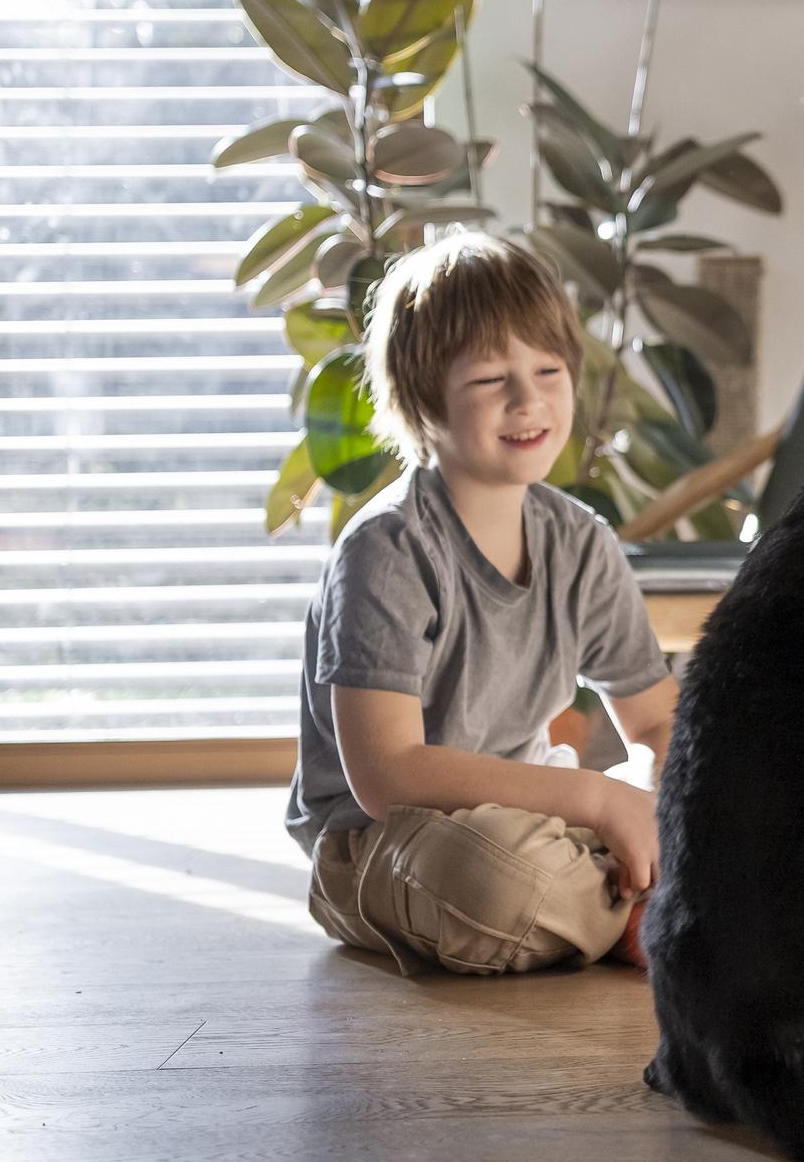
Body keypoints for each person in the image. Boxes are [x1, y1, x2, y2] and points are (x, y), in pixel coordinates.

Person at [283, 232, 675, 976]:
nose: (528, 400)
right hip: (382, 842)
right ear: (424, 401)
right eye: (492, 378)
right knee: (495, 879)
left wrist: (651, 805)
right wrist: (595, 801)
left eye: (548, 369)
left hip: (531, 819)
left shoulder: (582, 542)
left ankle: (626, 896)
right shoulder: (387, 549)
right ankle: (652, 911)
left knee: (725, 814)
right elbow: (386, 775)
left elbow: (656, 719)